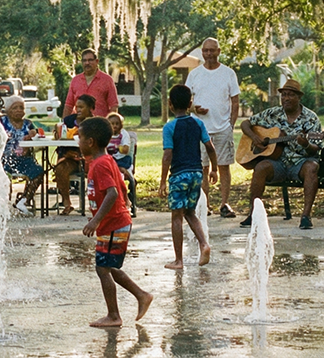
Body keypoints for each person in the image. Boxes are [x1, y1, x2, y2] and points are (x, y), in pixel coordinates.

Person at [78, 116, 153, 328]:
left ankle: (115, 315)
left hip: (113, 223)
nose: (78, 142)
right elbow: (120, 183)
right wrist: (126, 199)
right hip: (112, 222)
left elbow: (111, 193)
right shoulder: (107, 159)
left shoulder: (100, 164)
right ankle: (140, 296)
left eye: (81, 138)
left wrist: (95, 220)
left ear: (91, 142)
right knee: (107, 266)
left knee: (104, 269)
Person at [239, 79, 322, 230]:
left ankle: (305, 216)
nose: (286, 98)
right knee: (260, 167)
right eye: (283, 95)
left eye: (290, 95)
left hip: (300, 162)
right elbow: (245, 124)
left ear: (298, 97)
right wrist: (254, 137)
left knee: (312, 167)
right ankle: (253, 214)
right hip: (277, 162)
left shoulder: (311, 118)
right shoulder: (272, 113)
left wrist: (306, 144)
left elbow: (316, 148)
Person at [158, 85, 216, 269]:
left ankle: (178, 260)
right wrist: (214, 169)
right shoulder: (198, 123)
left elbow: (168, 155)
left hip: (179, 176)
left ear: (170, 104)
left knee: (177, 217)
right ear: (190, 104)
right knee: (190, 212)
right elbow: (210, 147)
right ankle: (203, 244)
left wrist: (162, 181)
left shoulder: (170, 127)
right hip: (197, 174)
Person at [184, 37, 241, 218]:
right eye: (206, 50)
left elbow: (235, 100)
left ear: (218, 51)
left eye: (212, 50)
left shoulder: (228, 73)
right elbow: (186, 102)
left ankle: (224, 204)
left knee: (224, 166)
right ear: (202, 52)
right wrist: (194, 109)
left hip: (223, 127)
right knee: (202, 167)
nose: (209, 54)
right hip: (200, 128)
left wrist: (231, 124)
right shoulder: (194, 74)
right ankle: (204, 205)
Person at [1, 95, 45, 217]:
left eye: (22, 107)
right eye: (15, 108)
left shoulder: (28, 124)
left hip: (25, 159)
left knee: (39, 172)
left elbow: (39, 136)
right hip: (5, 158)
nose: (19, 110)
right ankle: (2, 204)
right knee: (3, 175)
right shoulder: (2, 122)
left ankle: (24, 201)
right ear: (8, 110)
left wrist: (32, 136)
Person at [54, 94, 95, 215]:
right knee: (60, 168)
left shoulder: (95, 123)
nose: (78, 110)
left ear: (90, 108)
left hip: (90, 159)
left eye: (82, 107)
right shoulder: (68, 121)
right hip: (70, 158)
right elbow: (60, 139)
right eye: (77, 107)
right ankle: (66, 202)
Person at [64, 48, 119, 117]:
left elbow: (113, 105)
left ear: (96, 61)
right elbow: (69, 105)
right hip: (79, 124)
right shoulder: (75, 80)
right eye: (84, 60)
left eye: (90, 60)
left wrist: (110, 124)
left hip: (99, 123)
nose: (87, 63)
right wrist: (64, 124)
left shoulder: (107, 80)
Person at [106, 112, 136, 184]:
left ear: (121, 125)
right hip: (109, 158)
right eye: (112, 124)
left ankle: (128, 177)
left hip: (122, 159)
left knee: (115, 167)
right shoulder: (105, 133)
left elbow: (126, 150)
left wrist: (117, 147)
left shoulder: (123, 134)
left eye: (117, 124)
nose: (115, 126)